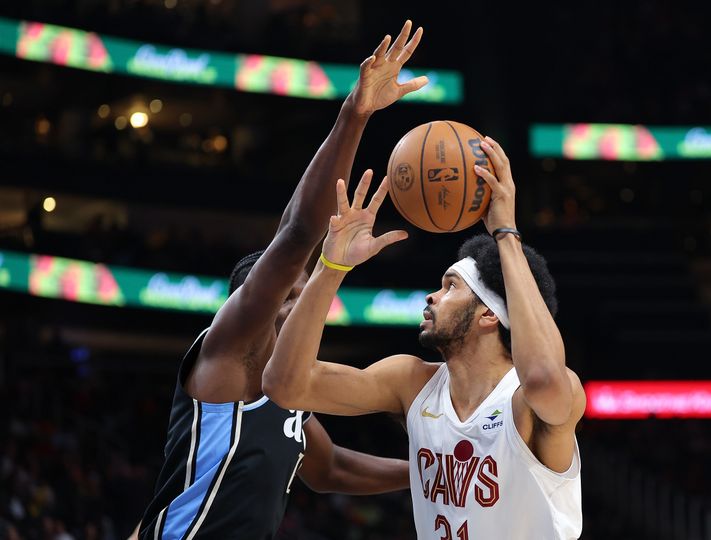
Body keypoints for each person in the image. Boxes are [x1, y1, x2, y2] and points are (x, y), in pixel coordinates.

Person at [135, 21, 429, 540]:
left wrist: (427, 476)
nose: (299, 302)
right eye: (289, 294)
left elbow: (329, 469)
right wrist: (354, 115)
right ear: (251, 303)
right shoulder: (231, 348)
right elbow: (297, 235)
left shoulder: (288, 388)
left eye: (302, 293)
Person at [262, 138, 586, 539]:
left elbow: (542, 378)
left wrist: (505, 233)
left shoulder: (528, 401)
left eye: (451, 287)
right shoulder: (413, 382)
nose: (431, 296)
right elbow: (285, 385)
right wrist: (331, 267)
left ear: (489, 314)